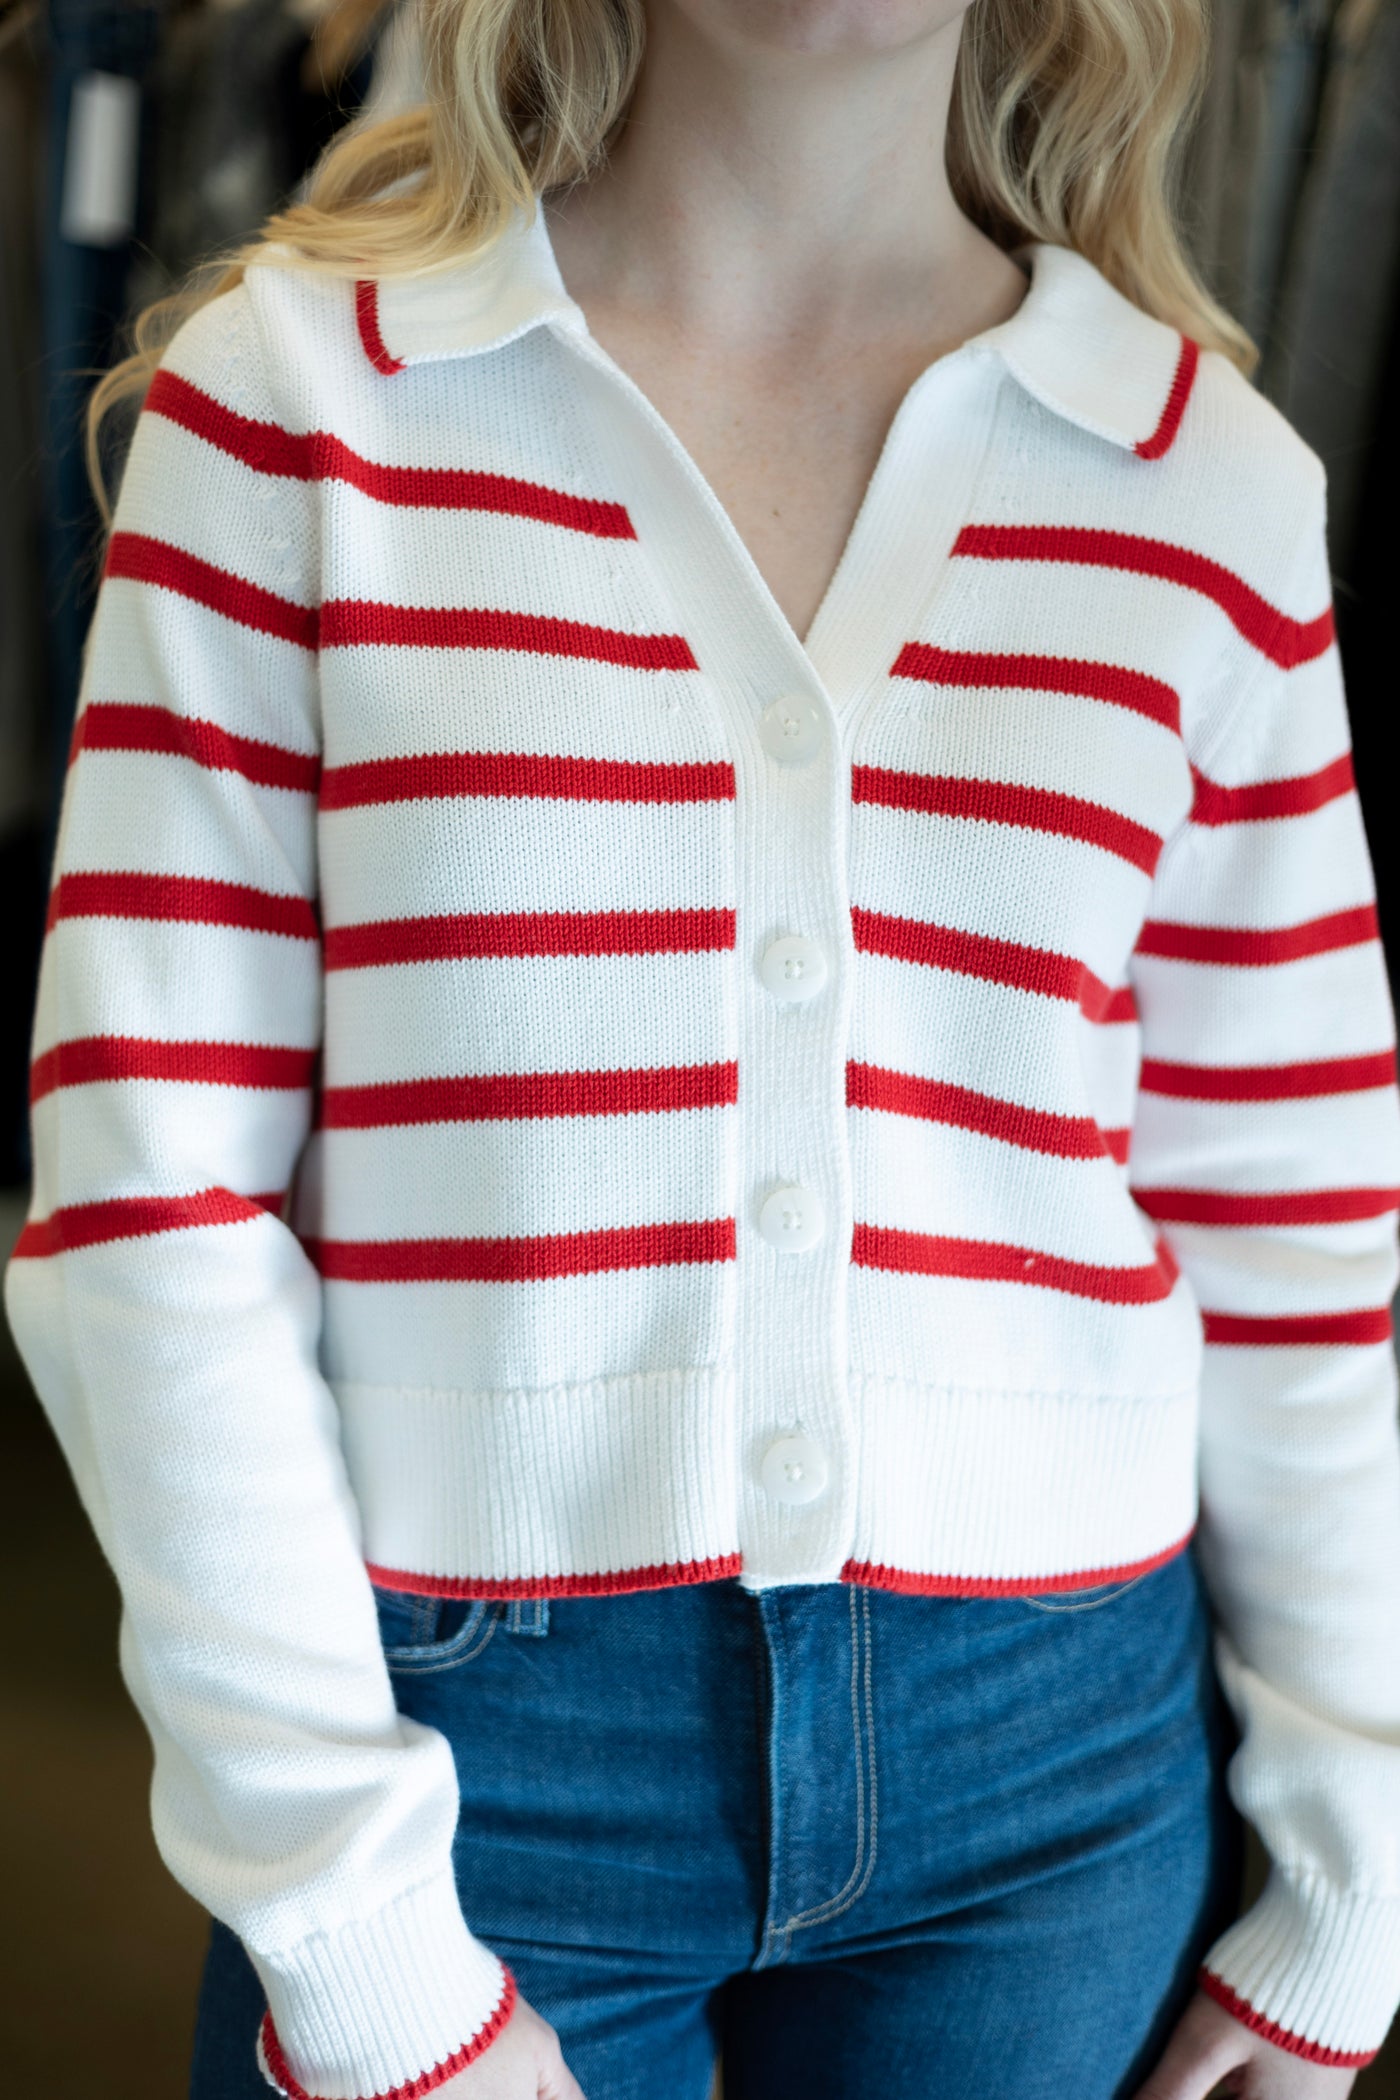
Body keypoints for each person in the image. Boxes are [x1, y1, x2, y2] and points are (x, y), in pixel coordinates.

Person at [8, 0, 1400, 2095]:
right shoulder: (298, 410)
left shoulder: (1205, 490)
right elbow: (150, 1207)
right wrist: (351, 1927)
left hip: (1059, 1765)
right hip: (460, 1769)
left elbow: (1290, 1231)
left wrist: (1356, 1877)